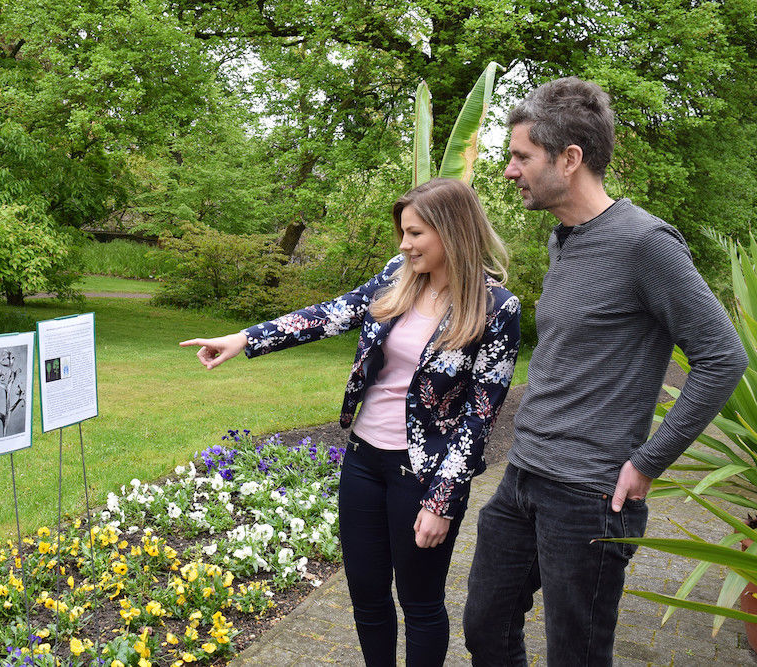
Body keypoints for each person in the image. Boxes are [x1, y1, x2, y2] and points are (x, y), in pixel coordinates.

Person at [462, 77, 749, 666]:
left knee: (578, 653)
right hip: (522, 478)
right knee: (485, 625)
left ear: (570, 159)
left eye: (521, 156)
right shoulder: (562, 238)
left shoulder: (646, 242)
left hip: (588, 495)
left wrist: (647, 462)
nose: (510, 170)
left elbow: (722, 355)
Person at [180, 178, 521, 666]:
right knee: (366, 596)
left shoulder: (496, 310)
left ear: (453, 232)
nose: (404, 244)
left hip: (425, 475)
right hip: (363, 461)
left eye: (415, 234)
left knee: (420, 604)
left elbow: (479, 418)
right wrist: (245, 339)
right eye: (402, 233)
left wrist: (441, 502)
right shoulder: (396, 276)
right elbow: (328, 315)